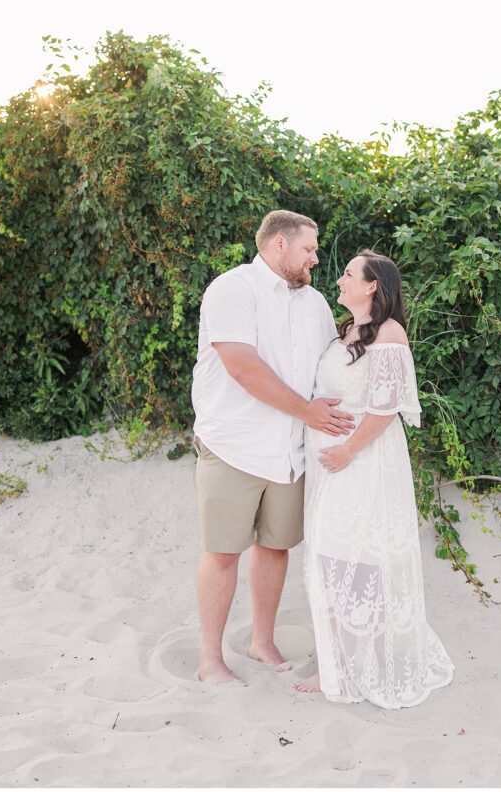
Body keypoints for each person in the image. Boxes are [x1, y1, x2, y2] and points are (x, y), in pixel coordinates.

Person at [191, 209, 355, 684]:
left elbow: (331, 365)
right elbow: (242, 366)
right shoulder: (232, 289)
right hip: (235, 445)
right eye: (309, 248)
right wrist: (307, 411)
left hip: (291, 453)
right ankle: (210, 661)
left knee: (276, 546)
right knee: (222, 552)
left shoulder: (315, 304)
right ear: (279, 245)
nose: (316, 259)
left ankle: (261, 642)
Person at [294, 249, 454, 708]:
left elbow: (385, 408)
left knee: (358, 557)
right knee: (329, 557)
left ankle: (367, 661)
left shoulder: (388, 333)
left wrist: (345, 450)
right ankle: (339, 659)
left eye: (348, 274)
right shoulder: (347, 331)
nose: (339, 279)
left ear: (371, 287)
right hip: (333, 466)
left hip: (363, 463)